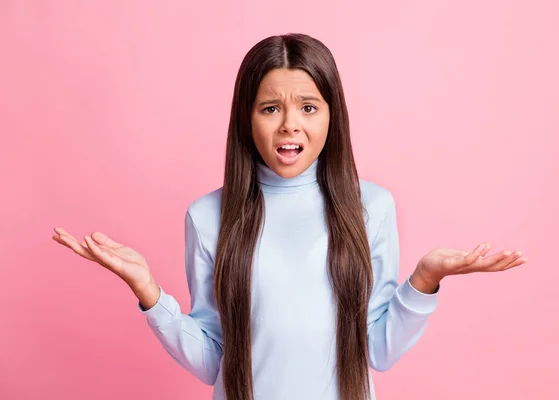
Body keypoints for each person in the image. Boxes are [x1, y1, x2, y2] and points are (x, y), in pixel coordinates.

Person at [52, 33, 528, 400]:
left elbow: (377, 351)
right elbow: (213, 359)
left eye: (308, 107)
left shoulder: (371, 207)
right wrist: (149, 293)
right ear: (247, 117)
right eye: (271, 108)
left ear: (331, 115)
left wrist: (424, 281)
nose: (289, 124)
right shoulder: (208, 216)